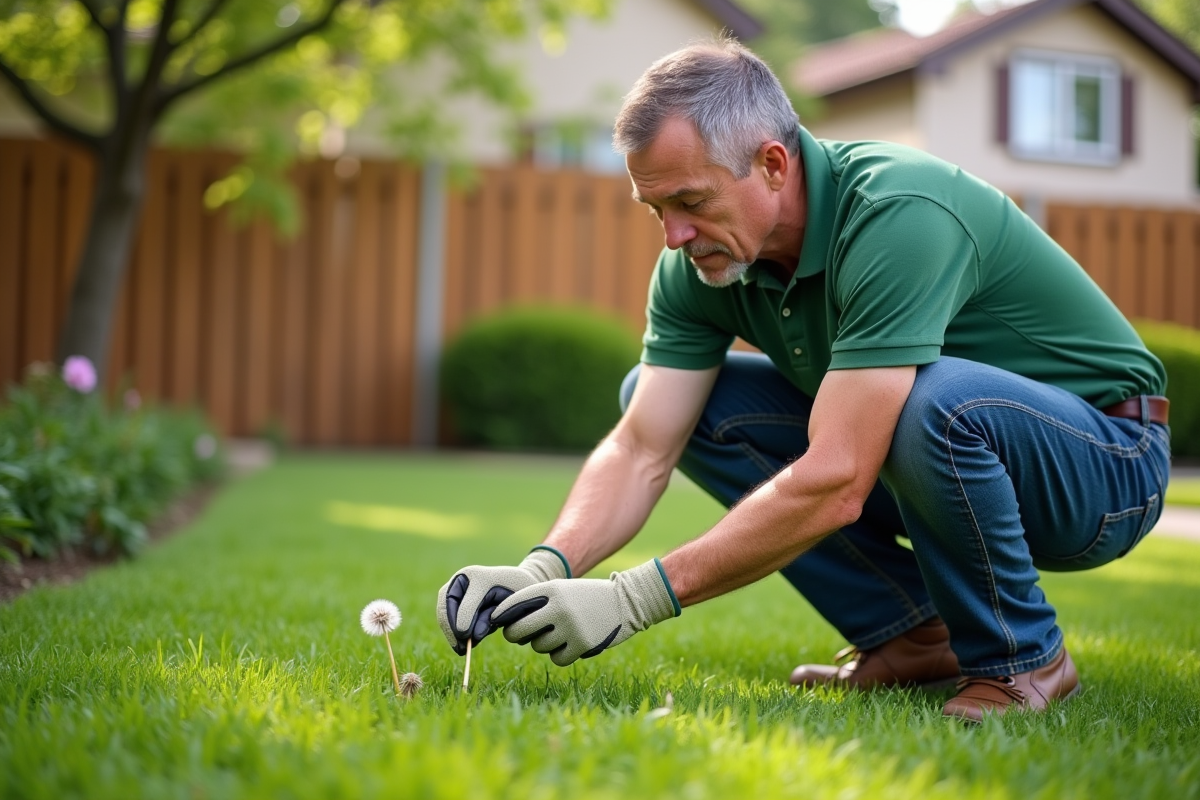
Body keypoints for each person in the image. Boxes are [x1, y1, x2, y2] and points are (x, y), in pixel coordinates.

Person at [435, 37, 1171, 721]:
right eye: (655, 208)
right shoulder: (699, 265)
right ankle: (915, 636)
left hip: (1105, 465)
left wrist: (632, 598)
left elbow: (838, 476)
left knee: (931, 402)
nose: (673, 235)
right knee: (681, 404)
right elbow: (641, 447)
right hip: (943, 458)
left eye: (690, 201)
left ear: (774, 165)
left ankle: (1025, 660)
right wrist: (541, 566)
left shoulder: (896, 215)